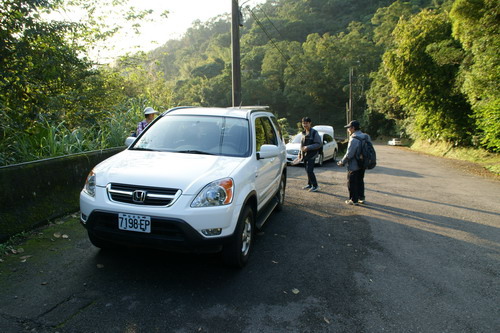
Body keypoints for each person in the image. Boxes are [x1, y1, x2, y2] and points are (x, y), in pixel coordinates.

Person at [337, 120, 371, 205]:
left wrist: (342, 162)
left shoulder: (354, 138)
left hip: (354, 165)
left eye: (348, 128)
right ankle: (361, 198)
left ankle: (353, 200)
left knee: (352, 182)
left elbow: (349, 154)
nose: (348, 130)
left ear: (353, 128)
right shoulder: (366, 136)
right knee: (360, 181)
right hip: (363, 163)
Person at [299, 117, 322, 192]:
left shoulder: (314, 132)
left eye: (306, 123)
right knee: (306, 169)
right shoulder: (303, 133)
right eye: (303, 123)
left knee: (310, 170)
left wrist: (308, 147)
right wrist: (300, 153)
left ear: (310, 123)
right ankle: (309, 184)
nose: (305, 125)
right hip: (305, 154)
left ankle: (315, 186)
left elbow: (318, 144)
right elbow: (302, 144)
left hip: (312, 154)